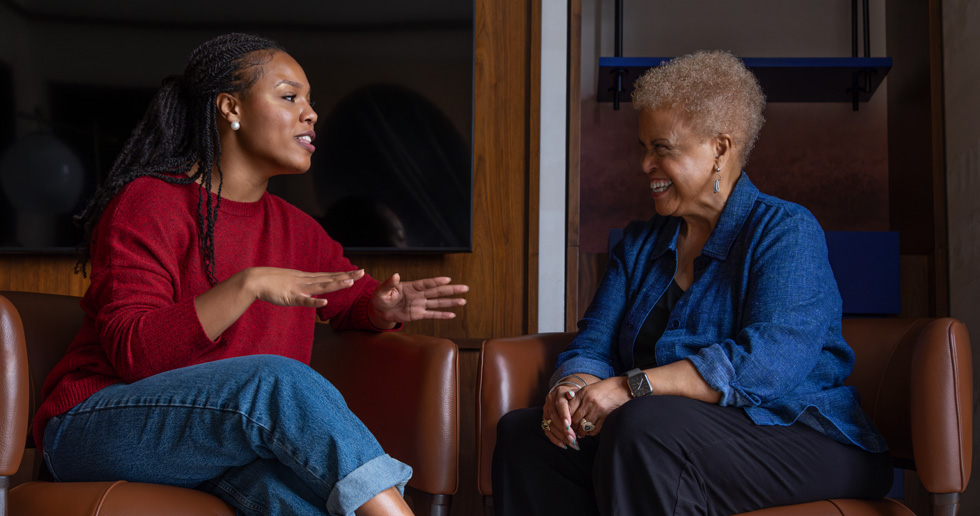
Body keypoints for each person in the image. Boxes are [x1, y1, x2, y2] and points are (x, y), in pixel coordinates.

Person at [35, 33, 469, 516]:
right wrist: (249, 284)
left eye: (309, 101)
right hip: (97, 426)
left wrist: (383, 307)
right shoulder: (150, 202)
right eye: (289, 97)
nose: (311, 114)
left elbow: (350, 296)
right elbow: (135, 354)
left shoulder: (298, 230)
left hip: (222, 440)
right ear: (230, 108)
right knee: (277, 381)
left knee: (302, 501)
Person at [491, 50, 892, 516]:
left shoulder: (785, 230)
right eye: (643, 147)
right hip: (664, 430)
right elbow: (594, 345)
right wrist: (570, 389)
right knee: (526, 435)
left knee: (643, 425)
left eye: (662, 148)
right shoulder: (639, 245)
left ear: (720, 149)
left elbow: (769, 363)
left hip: (798, 433)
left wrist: (632, 387)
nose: (645, 164)